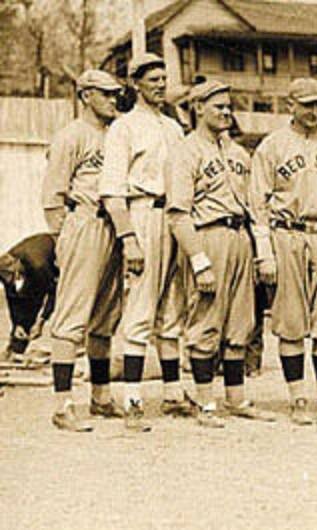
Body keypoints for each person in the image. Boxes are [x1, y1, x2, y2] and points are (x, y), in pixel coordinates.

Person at [166, 80, 274, 428]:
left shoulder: (239, 153)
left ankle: (236, 398)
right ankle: (205, 403)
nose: (226, 112)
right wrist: (199, 261)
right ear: (198, 108)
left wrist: (259, 251)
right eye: (218, 107)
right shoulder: (186, 151)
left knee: (241, 323)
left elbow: (256, 206)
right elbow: (178, 214)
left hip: (240, 235)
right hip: (207, 235)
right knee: (206, 322)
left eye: (229, 107)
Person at [250, 78, 317, 425]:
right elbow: (258, 204)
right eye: (307, 104)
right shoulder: (272, 145)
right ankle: (298, 399)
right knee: (290, 322)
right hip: (287, 234)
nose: (314, 112)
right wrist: (264, 252)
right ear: (290, 105)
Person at [99, 53, 187, 431]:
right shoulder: (124, 127)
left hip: (176, 216)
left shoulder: (174, 127)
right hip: (143, 213)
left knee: (173, 308)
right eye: (153, 78)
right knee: (140, 307)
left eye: (164, 78)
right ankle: (133, 400)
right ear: (136, 84)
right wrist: (128, 238)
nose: (160, 84)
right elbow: (111, 191)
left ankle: (173, 395)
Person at [40, 69, 124, 431]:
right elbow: (53, 195)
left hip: (116, 225)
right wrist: (64, 240)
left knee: (106, 316)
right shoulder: (71, 136)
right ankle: (62, 405)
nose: (112, 99)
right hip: (84, 219)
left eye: (114, 94)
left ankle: (101, 396)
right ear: (86, 95)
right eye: (105, 93)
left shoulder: (118, 132)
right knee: (73, 314)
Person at [0, 234, 56, 366]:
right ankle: (17, 348)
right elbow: (12, 297)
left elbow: (54, 293)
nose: (12, 281)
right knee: (24, 295)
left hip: (55, 254)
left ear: (17, 265)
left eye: (15, 277)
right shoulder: (4, 269)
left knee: (34, 297)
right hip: (32, 261)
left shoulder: (39, 266)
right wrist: (17, 324)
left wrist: (41, 321)